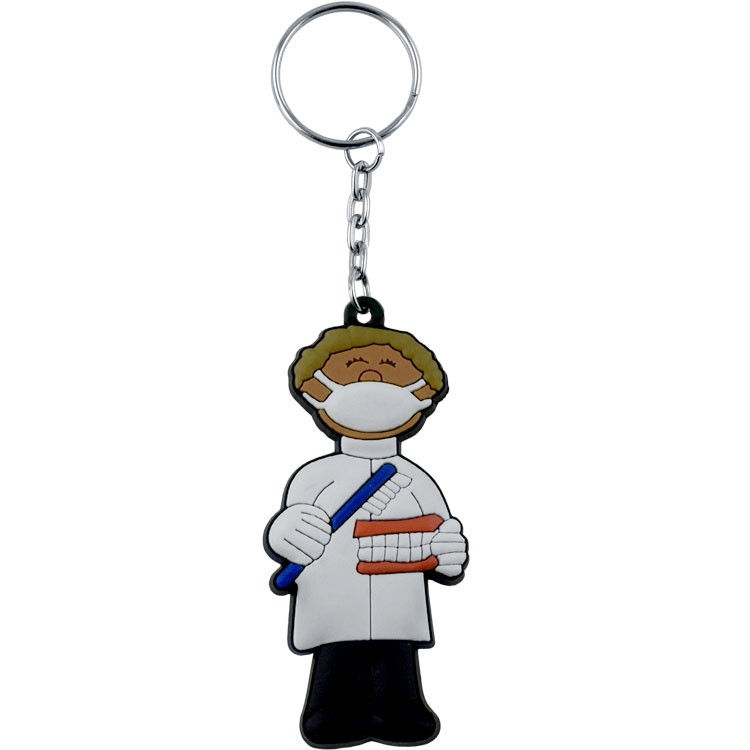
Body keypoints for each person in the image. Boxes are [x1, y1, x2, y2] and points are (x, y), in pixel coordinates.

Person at [264, 318, 468, 747]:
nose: (373, 382)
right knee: (337, 656)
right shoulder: (314, 476)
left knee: (396, 657)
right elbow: (287, 525)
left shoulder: (417, 479)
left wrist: (449, 553)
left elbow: (443, 531)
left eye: (390, 374)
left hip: (398, 592)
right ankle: (331, 710)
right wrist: (290, 531)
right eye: (356, 372)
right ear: (314, 391)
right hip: (333, 593)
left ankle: (401, 708)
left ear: (423, 396)